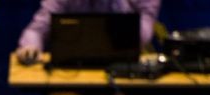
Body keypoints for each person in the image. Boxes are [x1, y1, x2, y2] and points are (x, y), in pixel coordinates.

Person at [15, 0, 162, 64]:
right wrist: (30, 47)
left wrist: (120, 4)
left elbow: (143, 33)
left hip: (123, 67)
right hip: (72, 70)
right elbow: (36, 30)